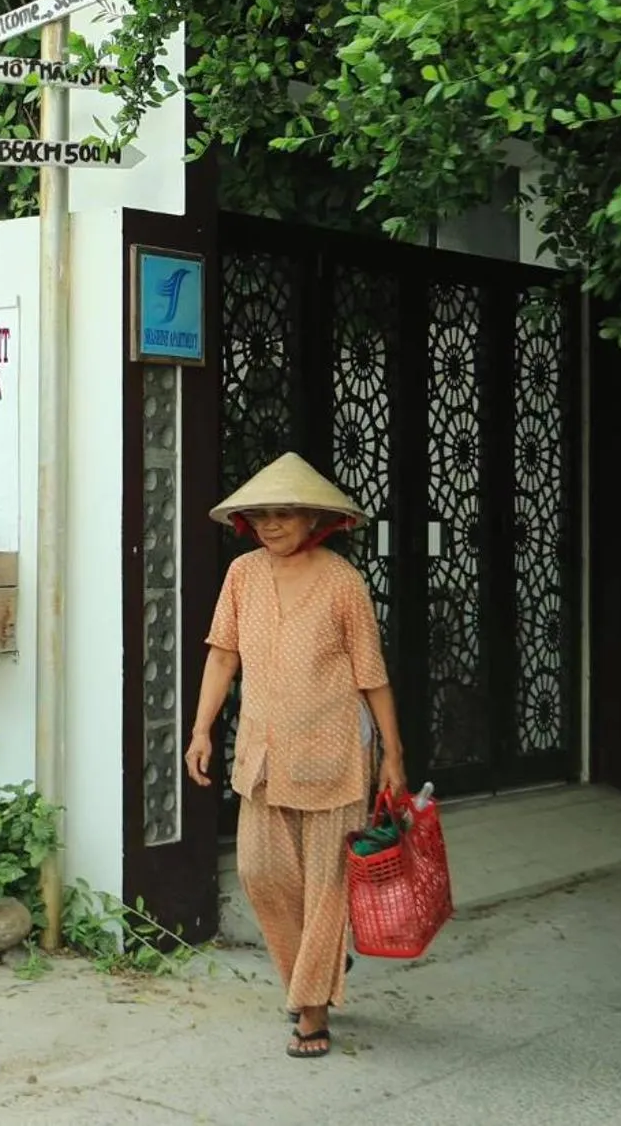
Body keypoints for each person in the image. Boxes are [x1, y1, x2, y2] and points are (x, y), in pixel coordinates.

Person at [184, 451, 408, 1060]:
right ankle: (312, 972)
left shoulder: (343, 582)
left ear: (315, 518)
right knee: (260, 874)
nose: (272, 525)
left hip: (335, 755)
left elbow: (371, 674)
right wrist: (202, 729)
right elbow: (223, 655)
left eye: (285, 514)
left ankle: (311, 1010)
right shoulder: (242, 577)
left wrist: (394, 753)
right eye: (262, 515)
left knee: (326, 885)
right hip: (263, 753)